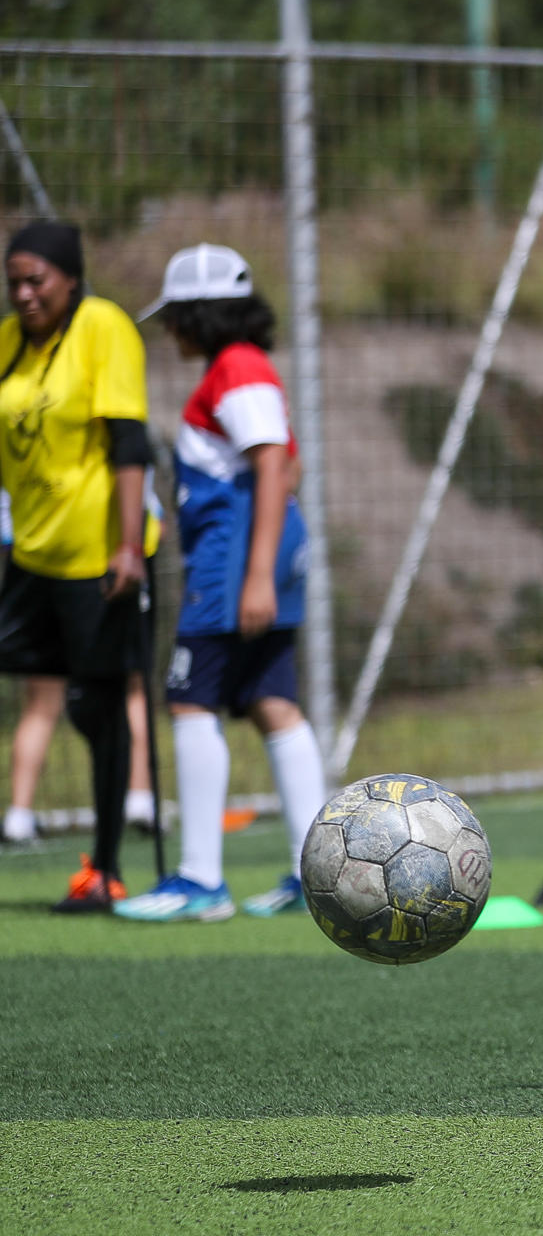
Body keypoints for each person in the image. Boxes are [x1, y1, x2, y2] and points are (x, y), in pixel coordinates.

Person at [115, 243, 326, 922]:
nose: (170, 329)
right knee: (271, 700)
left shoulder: (235, 370)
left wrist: (254, 571)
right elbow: (283, 467)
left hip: (234, 562)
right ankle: (315, 872)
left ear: (198, 314)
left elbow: (271, 465)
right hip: (251, 550)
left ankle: (201, 879)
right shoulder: (243, 369)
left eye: (175, 315)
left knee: (190, 699)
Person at [0, 220, 159, 911]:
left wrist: (129, 546)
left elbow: (129, 444)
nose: (25, 294)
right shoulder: (7, 345)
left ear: (69, 278)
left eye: (37, 280)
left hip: (98, 562)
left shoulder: (104, 328)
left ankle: (107, 868)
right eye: (14, 283)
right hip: (31, 555)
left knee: (96, 706)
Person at [1, 489, 160, 846]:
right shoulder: (116, 441)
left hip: (35, 553)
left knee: (44, 698)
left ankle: (19, 813)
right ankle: (138, 797)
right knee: (128, 685)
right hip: (98, 553)